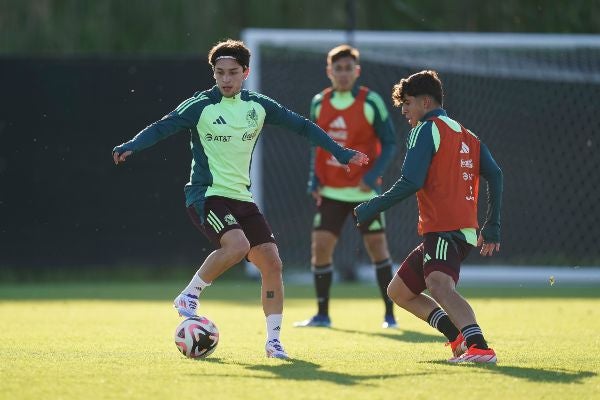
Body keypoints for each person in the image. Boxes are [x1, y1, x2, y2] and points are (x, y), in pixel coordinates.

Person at [112, 39, 369, 359]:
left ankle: (274, 343)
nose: (225, 79)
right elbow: (163, 127)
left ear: (246, 72)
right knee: (237, 246)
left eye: (233, 72)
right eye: (219, 73)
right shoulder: (200, 105)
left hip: (241, 198)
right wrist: (132, 145)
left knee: (272, 263)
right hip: (206, 195)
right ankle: (189, 296)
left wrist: (341, 153)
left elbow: (303, 126)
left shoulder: (258, 106)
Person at [354, 70, 503, 363]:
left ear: (425, 102)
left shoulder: (425, 129)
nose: (405, 110)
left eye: (407, 103)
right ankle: (458, 337)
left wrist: (373, 206)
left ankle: (480, 346)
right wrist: (493, 224)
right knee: (398, 291)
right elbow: (495, 174)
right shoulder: (467, 134)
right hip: (454, 229)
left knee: (439, 286)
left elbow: (411, 181)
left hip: (446, 228)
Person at [294, 45, 398, 329]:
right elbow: (316, 145)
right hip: (330, 192)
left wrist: (372, 175)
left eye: (347, 68)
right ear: (329, 71)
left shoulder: (370, 101)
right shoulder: (319, 102)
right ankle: (322, 315)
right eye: (337, 69)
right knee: (321, 248)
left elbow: (390, 143)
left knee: (378, 248)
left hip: (365, 194)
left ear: (357, 71)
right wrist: (314, 180)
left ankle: (390, 314)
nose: (342, 73)